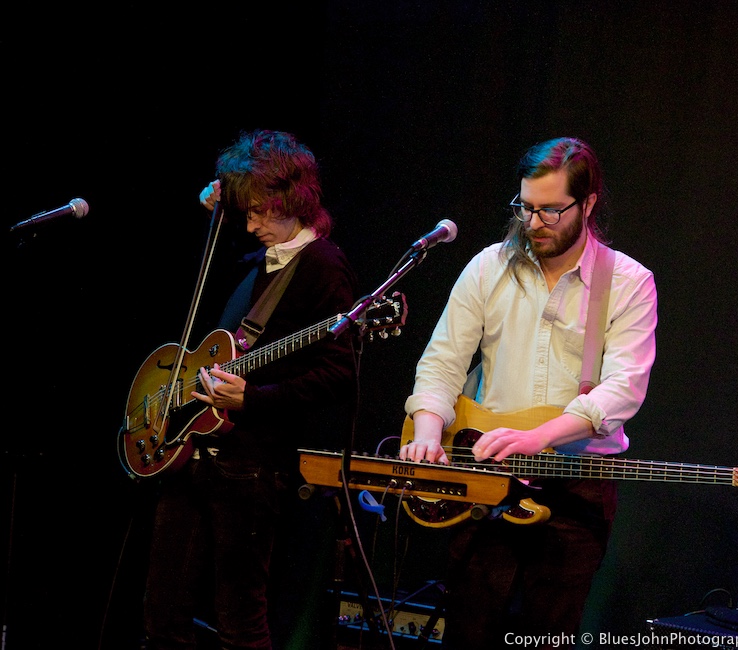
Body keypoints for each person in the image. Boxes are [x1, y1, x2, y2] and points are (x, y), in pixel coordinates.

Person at [400, 136, 657, 649]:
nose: (534, 224)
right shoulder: (487, 267)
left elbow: (623, 388)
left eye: (551, 211)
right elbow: (443, 361)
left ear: (588, 204)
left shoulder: (629, 282)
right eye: (526, 207)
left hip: (577, 484)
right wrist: (428, 430)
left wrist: (541, 436)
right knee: (469, 632)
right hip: (487, 472)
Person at [142, 129, 359, 650]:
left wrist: (253, 400)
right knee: (161, 615)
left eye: (259, 211)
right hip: (194, 451)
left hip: (254, 465)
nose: (251, 223)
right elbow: (208, 336)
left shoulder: (324, 266)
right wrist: (212, 217)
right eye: (245, 211)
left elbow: (338, 373)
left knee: (240, 619)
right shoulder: (252, 263)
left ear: (292, 200)